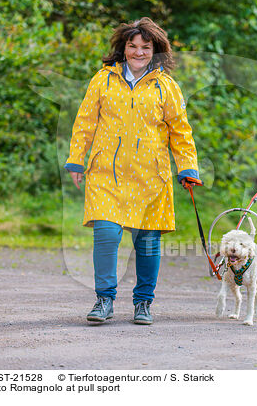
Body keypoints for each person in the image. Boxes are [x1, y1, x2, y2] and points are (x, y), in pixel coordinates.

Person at [64, 17, 201, 325]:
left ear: (156, 50)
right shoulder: (103, 79)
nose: (138, 52)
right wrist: (76, 158)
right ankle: (104, 300)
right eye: (132, 46)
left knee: (148, 242)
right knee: (106, 234)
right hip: (105, 173)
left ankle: (143, 303)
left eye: (145, 47)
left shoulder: (167, 86)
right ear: (123, 48)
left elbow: (181, 131)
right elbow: (85, 121)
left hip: (151, 176)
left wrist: (187, 167)